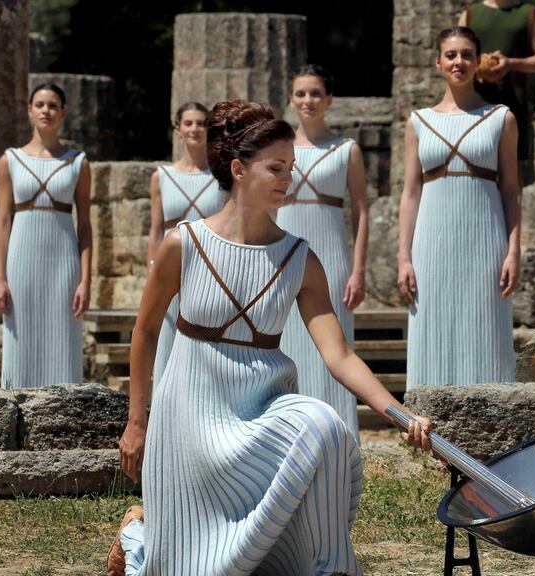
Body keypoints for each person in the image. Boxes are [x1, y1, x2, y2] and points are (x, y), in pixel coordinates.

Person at [108, 99, 433, 576]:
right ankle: (137, 539)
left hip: (262, 408)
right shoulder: (184, 244)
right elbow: (146, 330)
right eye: (276, 168)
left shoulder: (301, 258)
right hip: (190, 417)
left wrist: (399, 414)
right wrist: (138, 424)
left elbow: (339, 354)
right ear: (238, 169)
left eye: (292, 168)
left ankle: (330, 569)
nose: (288, 178)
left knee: (325, 427)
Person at [398, 26, 521, 388]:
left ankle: (491, 428)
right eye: (451, 55)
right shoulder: (418, 122)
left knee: (485, 324)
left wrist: (514, 250)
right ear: (438, 62)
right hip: (431, 239)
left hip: (485, 236)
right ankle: (426, 429)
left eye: (467, 54)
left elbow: (512, 190)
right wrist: (404, 256)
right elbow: (410, 192)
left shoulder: (501, 118)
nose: (459, 62)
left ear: (477, 61)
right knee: (432, 323)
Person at [277, 65, 369, 436]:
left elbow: (362, 209)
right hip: (283, 256)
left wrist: (359, 269)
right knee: (286, 343)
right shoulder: (279, 149)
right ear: (290, 99)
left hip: (331, 258)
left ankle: (339, 436)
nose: (308, 101)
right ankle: (288, 430)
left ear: (329, 99)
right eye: (300, 94)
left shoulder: (346, 149)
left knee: (335, 346)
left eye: (315, 93)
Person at [0, 82, 92, 389]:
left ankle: (64, 420)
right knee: (20, 341)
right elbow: (3, 220)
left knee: (62, 341)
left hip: (63, 263)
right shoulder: (10, 160)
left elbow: (85, 225)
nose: (46, 110)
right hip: (21, 261)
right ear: (30, 111)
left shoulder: (78, 162)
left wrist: (86, 280)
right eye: (40, 104)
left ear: (62, 112)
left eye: (52, 105)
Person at [146, 102, 226, 384]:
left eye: (202, 123)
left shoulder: (222, 177)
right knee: (167, 338)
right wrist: (152, 271)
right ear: (177, 129)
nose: (195, 129)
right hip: (171, 266)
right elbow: (156, 231)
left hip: (212, 267)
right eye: (189, 123)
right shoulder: (162, 177)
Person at [459, 0, 535, 186]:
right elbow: (456, 54)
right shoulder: (470, 14)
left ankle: (511, 216)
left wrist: (510, 64)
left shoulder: (528, 14)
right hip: (473, 106)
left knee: (511, 180)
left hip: (513, 105)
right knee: (469, 172)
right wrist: (477, 68)